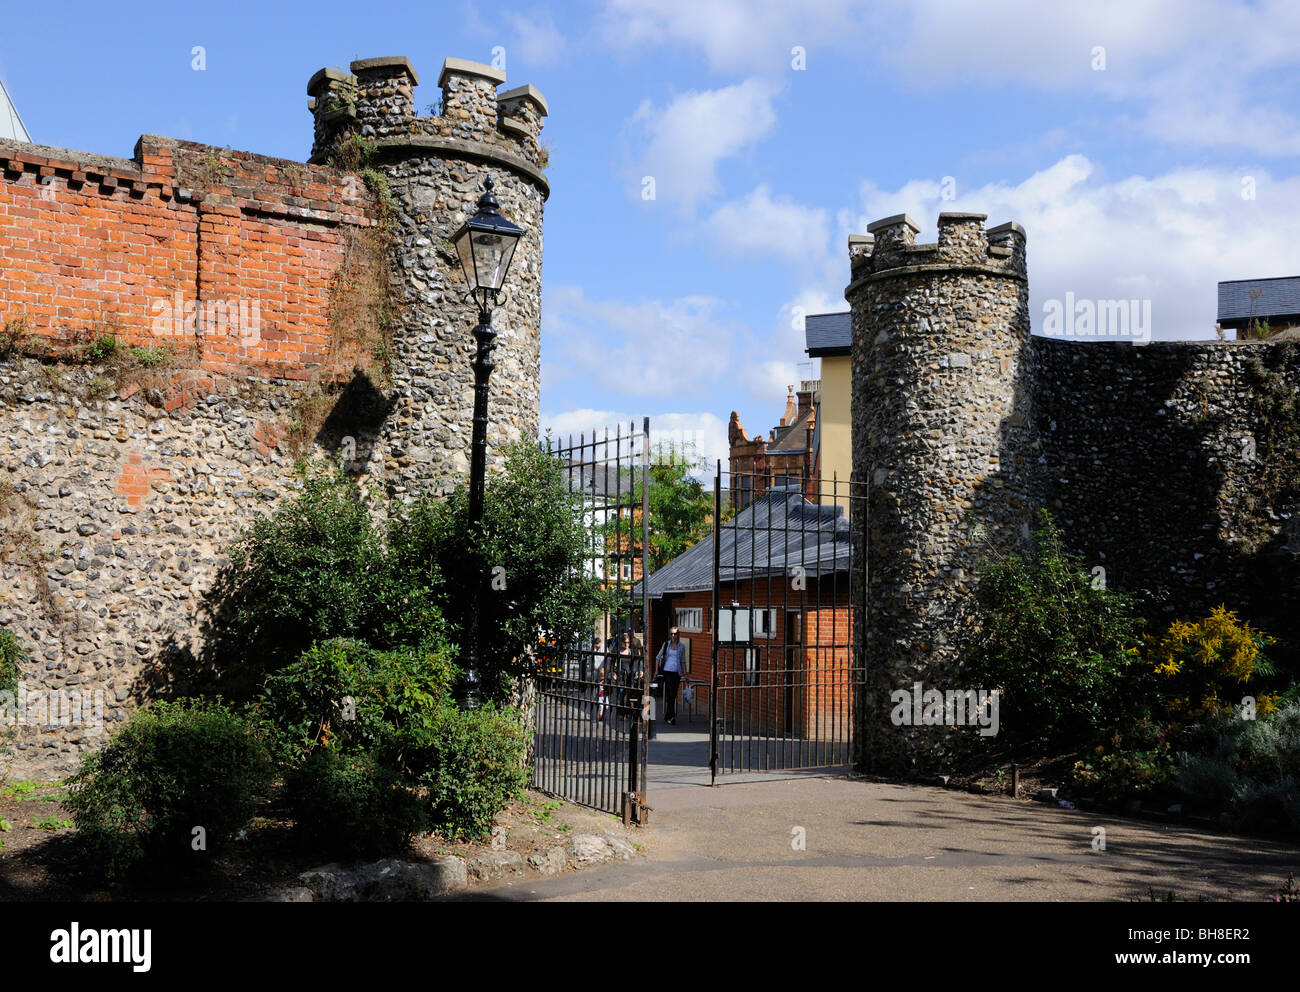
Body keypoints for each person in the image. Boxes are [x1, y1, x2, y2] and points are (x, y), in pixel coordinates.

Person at [655, 627, 686, 725]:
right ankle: (672, 716)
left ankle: (668, 716)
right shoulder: (666, 644)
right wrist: (656, 671)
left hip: (676, 673)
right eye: (671, 634)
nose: (673, 636)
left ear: (678, 634)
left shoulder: (681, 646)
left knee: (673, 695)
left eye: (675, 634)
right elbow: (658, 657)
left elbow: (683, 661)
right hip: (667, 672)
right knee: (670, 694)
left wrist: (685, 674)